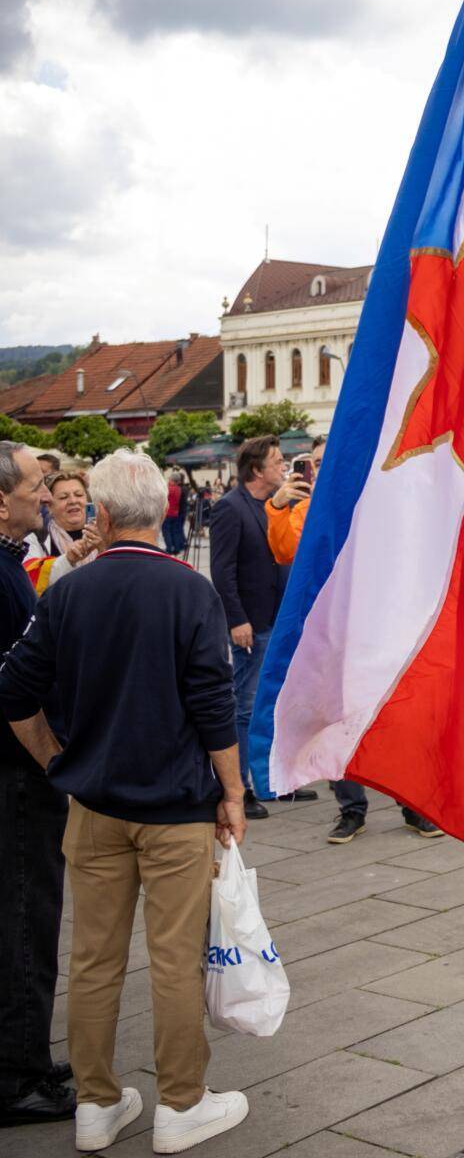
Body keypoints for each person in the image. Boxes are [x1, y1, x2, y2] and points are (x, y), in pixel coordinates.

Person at [0, 449, 251, 1154]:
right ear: (167, 509)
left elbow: (14, 692)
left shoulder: (66, 591)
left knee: (93, 959)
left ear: (101, 515)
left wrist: (57, 760)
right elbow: (213, 703)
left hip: (94, 807)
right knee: (175, 959)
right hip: (174, 807)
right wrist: (231, 793)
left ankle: (97, 1104)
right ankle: (180, 1104)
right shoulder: (188, 590)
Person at [261, 443, 441, 839]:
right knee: (336, 720)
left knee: (391, 715)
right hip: (329, 634)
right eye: (316, 461)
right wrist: (276, 509)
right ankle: (352, 809)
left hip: (378, 627)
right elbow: (284, 550)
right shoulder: (309, 507)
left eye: (329, 458)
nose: (322, 467)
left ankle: (411, 804)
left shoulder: (375, 496)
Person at [0, 443, 69, 1130]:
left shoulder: (9, 564)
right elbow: (11, 688)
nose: (44, 495)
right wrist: (51, 762)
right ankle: (20, 1078)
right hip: (17, 777)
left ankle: (25, 1059)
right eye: (35, 485)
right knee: (26, 922)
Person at [208, 435, 296, 818]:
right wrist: (236, 619)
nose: (284, 466)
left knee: (272, 702)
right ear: (256, 470)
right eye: (277, 461)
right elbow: (222, 570)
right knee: (245, 704)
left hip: (279, 616)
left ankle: (270, 780)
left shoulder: (279, 504)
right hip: (252, 621)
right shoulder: (230, 508)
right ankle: (240, 787)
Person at [25, 469, 102, 590]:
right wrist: (69, 559)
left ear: (88, 500)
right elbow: (29, 579)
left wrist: (104, 548)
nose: (73, 501)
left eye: (79, 495)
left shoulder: (106, 532)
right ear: (49, 505)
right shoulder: (36, 537)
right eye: (63, 497)